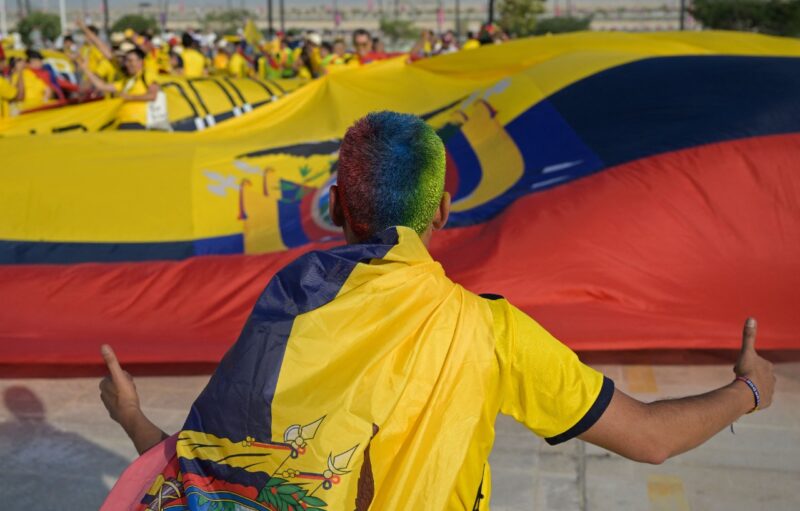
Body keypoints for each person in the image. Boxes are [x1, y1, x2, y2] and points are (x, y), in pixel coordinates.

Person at [99, 112, 775, 510]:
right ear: (444, 213)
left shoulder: (293, 301)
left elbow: (219, 477)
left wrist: (133, 417)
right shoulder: (490, 331)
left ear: (335, 208)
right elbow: (652, 436)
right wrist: (748, 389)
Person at [78, 47, 161, 130]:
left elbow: (152, 96)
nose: (127, 64)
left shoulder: (147, 74)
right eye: (126, 61)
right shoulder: (126, 81)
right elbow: (101, 86)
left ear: (141, 62)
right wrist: (85, 69)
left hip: (137, 122)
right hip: (121, 122)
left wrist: (129, 97)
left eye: (130, 61)